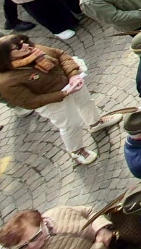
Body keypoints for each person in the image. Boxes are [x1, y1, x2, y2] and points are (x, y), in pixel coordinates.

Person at [0, 33, 120, 165]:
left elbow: (61, 55)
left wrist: (73, 75)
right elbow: (29, 101)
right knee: (71, 125)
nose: (26, 46)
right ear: (5, 56)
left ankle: (95, 123)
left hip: (70, 83)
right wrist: (63, 93)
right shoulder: (6, 82)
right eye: (18, 47)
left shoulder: (35, 50)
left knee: (86, 103)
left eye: (23, 42)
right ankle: (76, 150)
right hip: (52, 102)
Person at [0, 205, 141, 249]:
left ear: (43, 220)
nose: (31, 246)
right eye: (23, 247)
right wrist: (99, 245)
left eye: (36, 236)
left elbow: (88, 211)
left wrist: (102, 228)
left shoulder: (56, 212)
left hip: (116, 242)